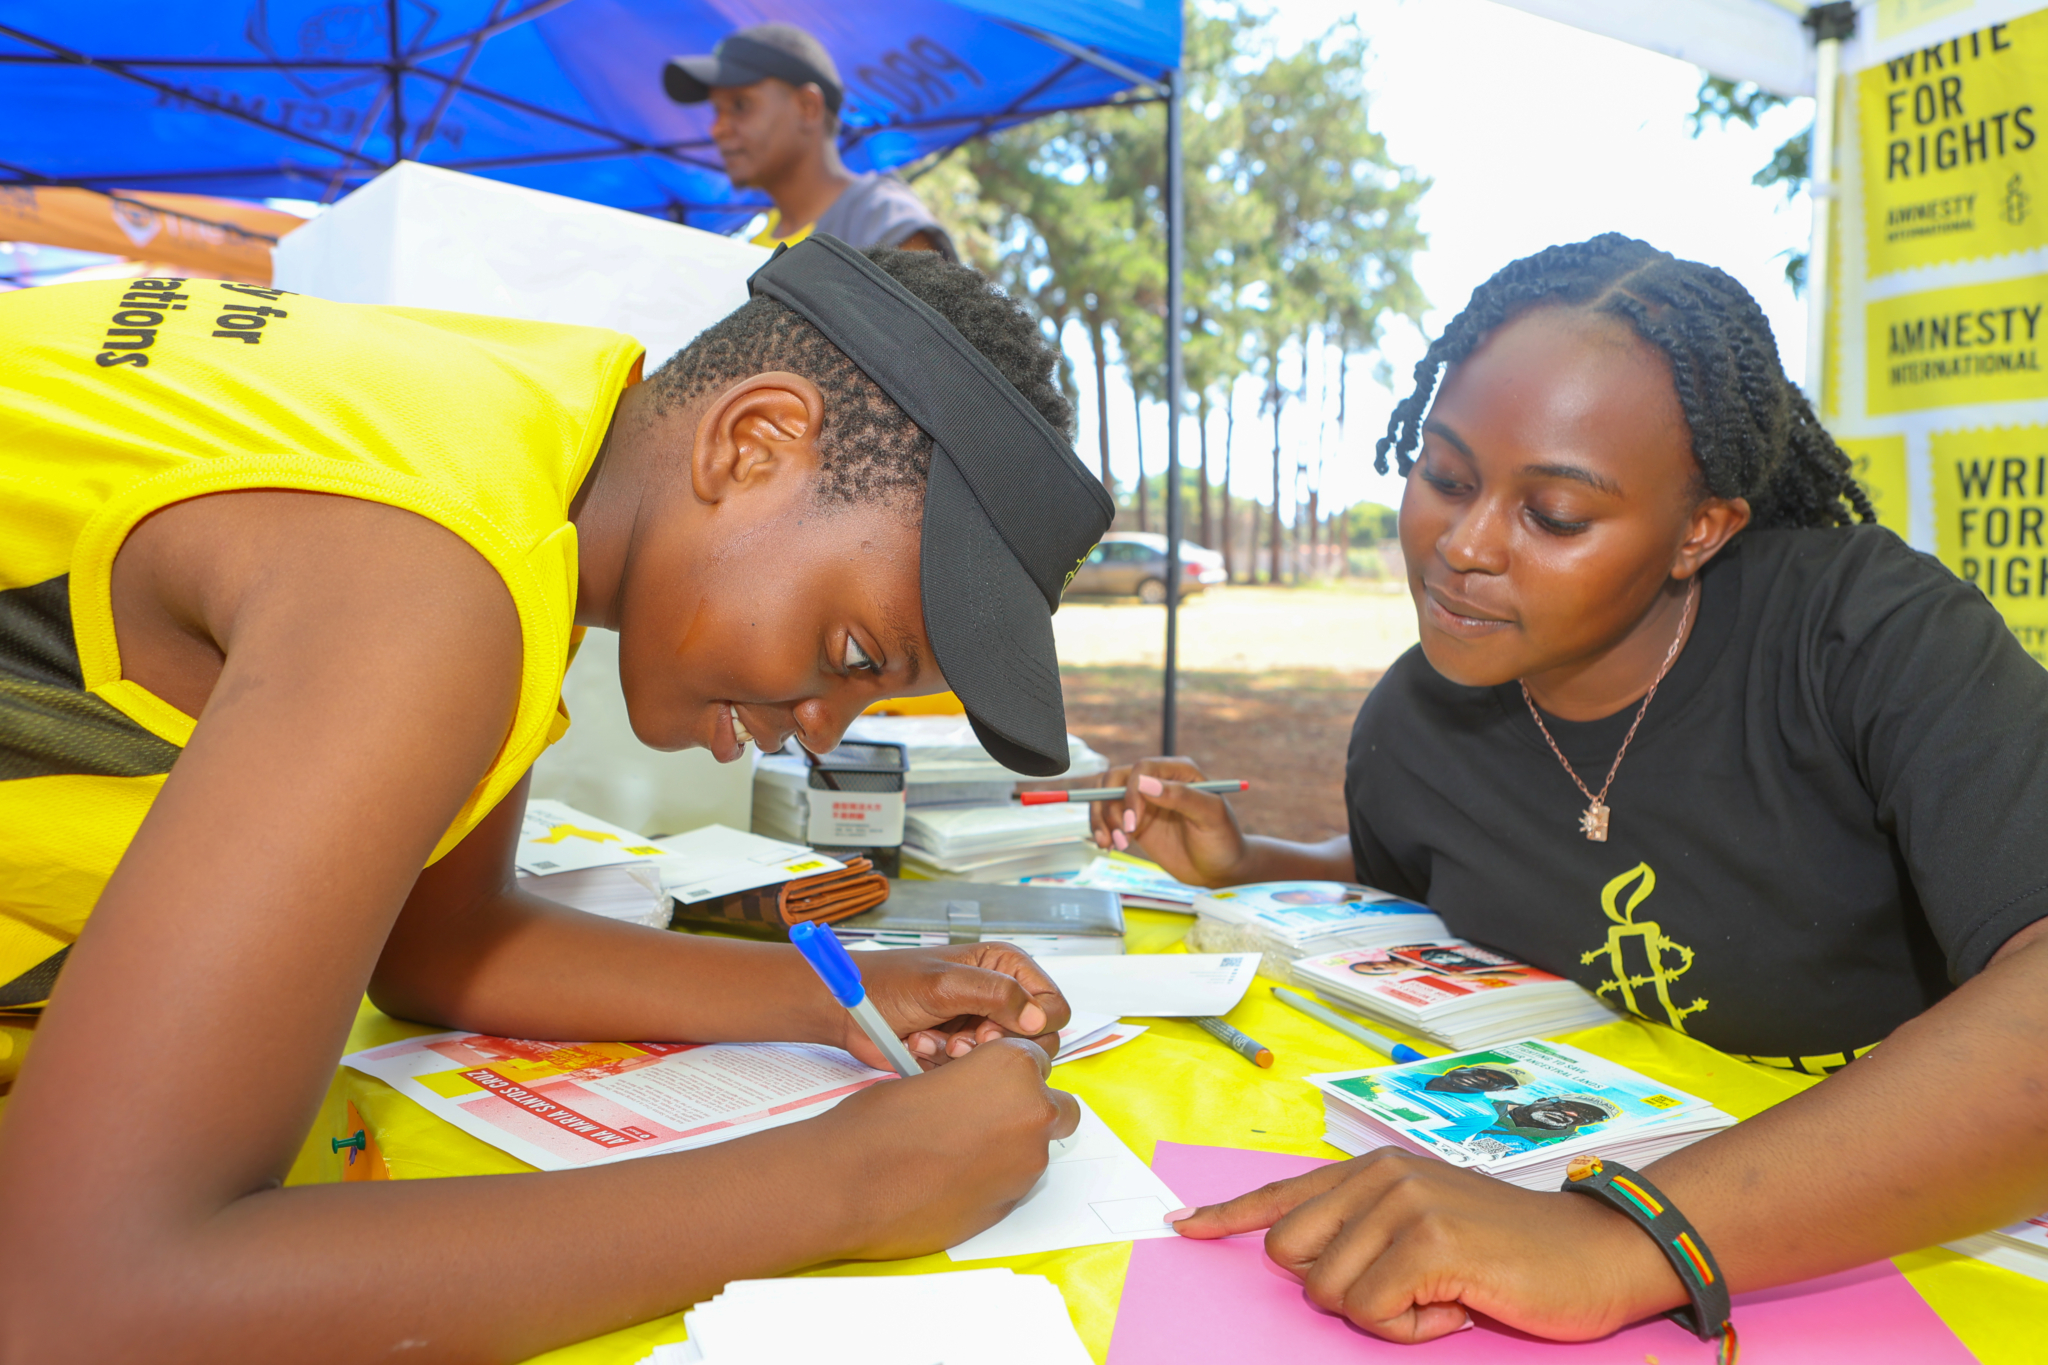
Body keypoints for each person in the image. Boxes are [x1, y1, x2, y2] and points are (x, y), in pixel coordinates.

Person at [0, 238, 1113, 1358]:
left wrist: (842, 996)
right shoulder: (433, 577)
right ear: (754, 443)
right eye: (853, 650)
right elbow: (88, 1295)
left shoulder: (517, 442)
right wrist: (850, 1182)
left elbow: (443, 945)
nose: (820, 728)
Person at [1089, 234, 2048, 1344]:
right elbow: (1442, 872)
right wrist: (1255, 863)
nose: (1462, 544)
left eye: (1551, 515)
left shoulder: (1865, 637)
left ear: (1700, 529)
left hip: (1918, 1247)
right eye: (1442, 476)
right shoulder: (1414, 722)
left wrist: (1627, 1238)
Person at [664, 24, 958, 260]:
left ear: (808, 107)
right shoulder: (748, 249)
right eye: (716, 110)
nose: (717, 129)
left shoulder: (886, 223)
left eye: (740, 105)